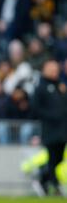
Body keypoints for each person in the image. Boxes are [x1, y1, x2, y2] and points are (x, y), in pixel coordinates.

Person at [32, 60, 67, 195]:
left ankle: (43, 176)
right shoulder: (40, 87)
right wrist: (52, 115)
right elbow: (35, 109)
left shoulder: (61, 86)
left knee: (59, 158)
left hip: (63, 129)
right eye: (51, 68)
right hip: (50, 129)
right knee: (53, 157)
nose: (54, 71)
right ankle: (54, 185)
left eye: (55, 69)